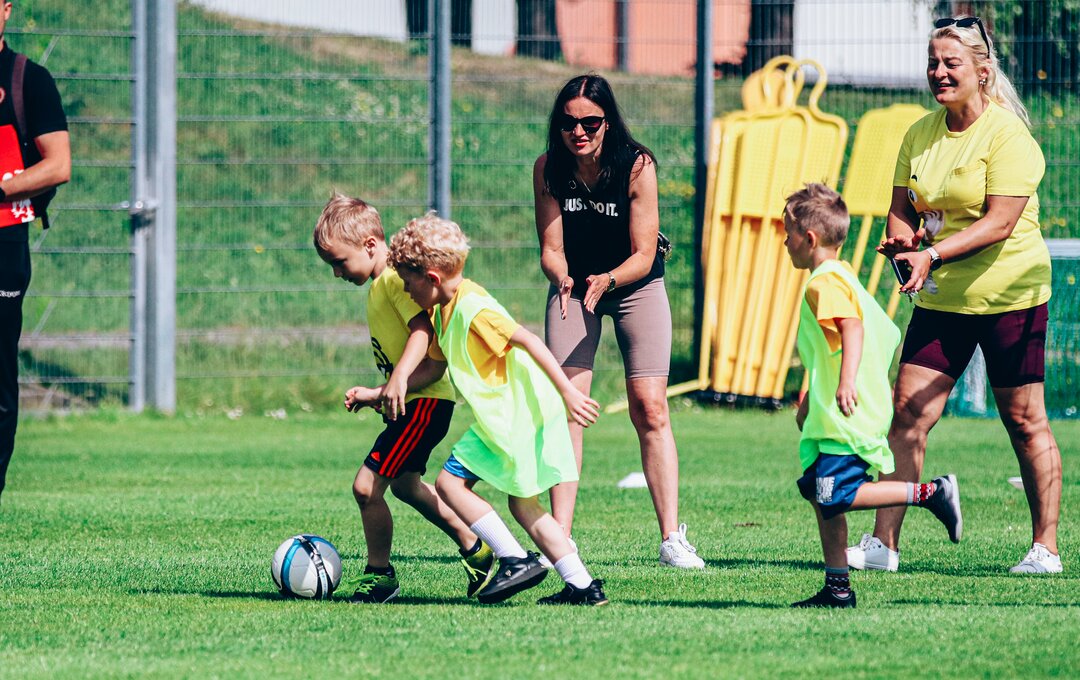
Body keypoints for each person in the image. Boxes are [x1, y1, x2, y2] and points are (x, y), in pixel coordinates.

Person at [848, 16, 1063, 575]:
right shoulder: (919, 133)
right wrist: (903, 242)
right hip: (943, 298)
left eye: (951, 63)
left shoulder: (1008, 136)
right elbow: (902, 208)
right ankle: (883, 546)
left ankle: (1045, 548)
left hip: (1010, 294)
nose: (939, 73)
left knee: (1024, 419)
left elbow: (999, 222)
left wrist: (933, 254)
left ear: (982, 72)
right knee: (907, 414)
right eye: (933, 63)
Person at [388, 213, 608, 606]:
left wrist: (568, 393)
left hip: (512, 417)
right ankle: (584, 587)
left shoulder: (473, 307)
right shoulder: (443, 311)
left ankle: (514, 560)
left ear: (432, 278)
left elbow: (529, 340)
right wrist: (383, 391)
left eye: (408, 282)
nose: (406, 291)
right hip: (516, 418)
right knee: (524, 504)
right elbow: (435, 366)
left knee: (449, 484)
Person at [533, 74, 703, 568]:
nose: (579, 132)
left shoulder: (636, 165)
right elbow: (551, 249)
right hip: (575, 287)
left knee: (650, 407)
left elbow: (645, 253)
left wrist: (607, 280)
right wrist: (563, 277)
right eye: (568, 123)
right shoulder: (549, 167)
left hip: (633, 284)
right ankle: (561, 538)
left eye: (590, 122)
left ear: (608, 121)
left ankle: (671, 538)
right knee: (569, 405)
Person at [784, 184, 962, 609]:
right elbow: (831, 346)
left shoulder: (824, 283)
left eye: (787, 233)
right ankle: (837, 589)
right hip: (834, 410)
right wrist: (811, 400)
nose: (784, 242)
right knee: (820, 494)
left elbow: (853, 328)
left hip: (848, 411)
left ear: (808, 238)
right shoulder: (841, 274)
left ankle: (931, 493)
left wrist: (846, 383)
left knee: (837, 495)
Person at [313, 194, 495, 603]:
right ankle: (475, 548)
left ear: (370, 246)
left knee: (366, 488)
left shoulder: (395, 280)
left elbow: (422, 333)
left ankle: (380, 575)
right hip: (419, 403)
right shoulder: (382, 286)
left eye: (340, 262)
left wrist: (396, 380)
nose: (337, 273)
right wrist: (380, 393)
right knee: (406, 487)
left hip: (425, 405)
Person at [0, 0, 71, 506]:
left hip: (4, 243)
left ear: (6, 10)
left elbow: (58, 165)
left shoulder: (28, 79)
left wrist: (2, 187)